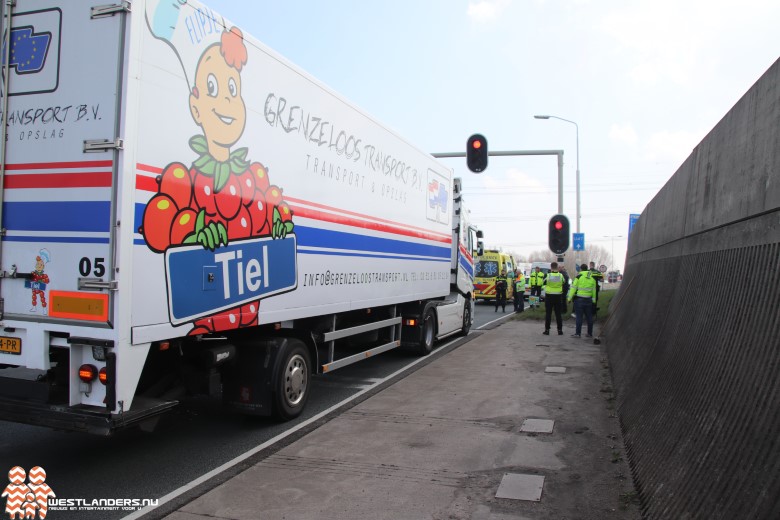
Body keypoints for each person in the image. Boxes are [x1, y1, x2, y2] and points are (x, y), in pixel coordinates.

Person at [568, 263, 597, 338]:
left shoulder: (579, 277)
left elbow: (573, 288)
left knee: (579, 317)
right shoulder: (592, 278)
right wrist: (593, 301)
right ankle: (589, 333)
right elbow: (594, 291)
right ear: (587, 269)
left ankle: (578, 334)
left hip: (579, 300)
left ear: (581, 269)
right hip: (589, 300)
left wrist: (569, 298)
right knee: (589, 317)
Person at [542, 262, 564, 335]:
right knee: (558, 314)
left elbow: (543, 283)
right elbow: (564, 282)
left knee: (548, 313)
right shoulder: (561, 275)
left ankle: (547, 330)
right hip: (558, 296)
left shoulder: (548, 275)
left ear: (551, 268)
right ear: (557, 267)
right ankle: (560, 330)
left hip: (549, 296)